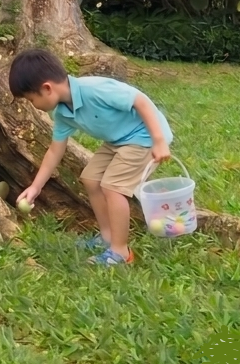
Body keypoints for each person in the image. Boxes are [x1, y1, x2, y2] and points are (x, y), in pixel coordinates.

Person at [10, 48, 173, 267]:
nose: (33, 106)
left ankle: (120, 252)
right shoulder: (62, 112)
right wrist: (36, 187)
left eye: (31, 100)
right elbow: (55, 150)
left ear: (46, 88)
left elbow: (140, 101)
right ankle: (107, 236)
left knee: (113, 187)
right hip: (118, 141)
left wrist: (159, 140)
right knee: (91, 178)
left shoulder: (94, 89)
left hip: (144, 137)